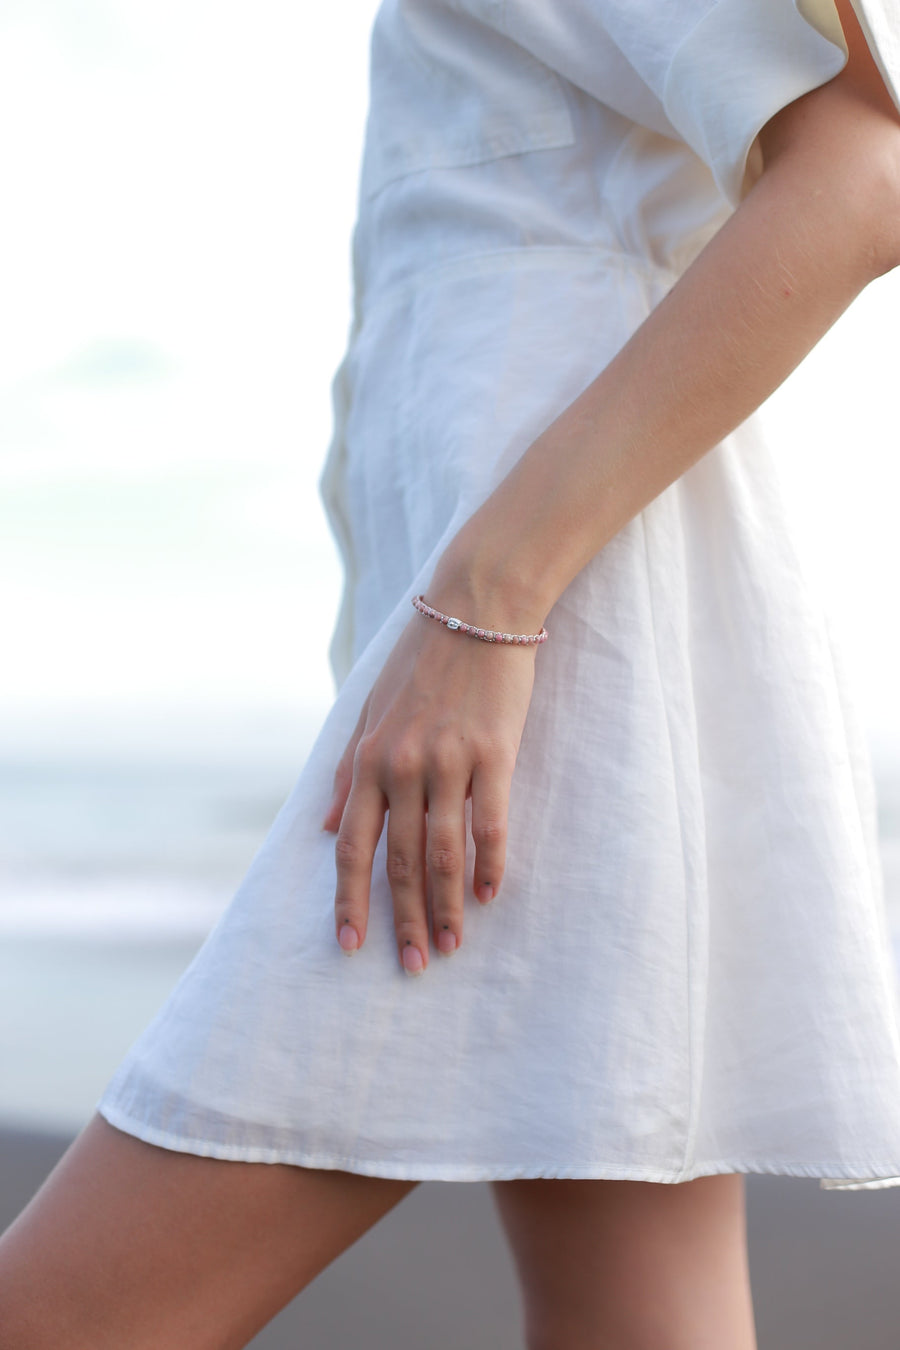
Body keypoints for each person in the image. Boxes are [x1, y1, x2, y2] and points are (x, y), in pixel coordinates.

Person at [3, 0, 900, 1345]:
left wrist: (487, 603)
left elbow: (860, 173)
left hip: (542, 655)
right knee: (636, 1304)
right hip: (550, 648)